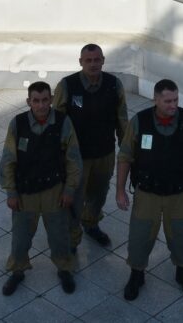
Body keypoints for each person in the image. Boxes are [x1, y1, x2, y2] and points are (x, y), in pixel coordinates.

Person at [116, 78, 183, 301]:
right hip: (147, 193)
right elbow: (125, 156)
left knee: (182, 237)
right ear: (155, 99)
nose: (173, 105)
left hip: (180, 194)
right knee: (140, 236)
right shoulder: (140, 122)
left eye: (175, 99)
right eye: (167, 101)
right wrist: (120, 190)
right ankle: (137, 274)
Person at [0, 81, 81, 296]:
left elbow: (73, 159)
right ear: (29, 102)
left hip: (54, 190)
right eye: (36, 101)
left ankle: (64, 269)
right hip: (25, 193)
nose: (42, 105)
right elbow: (8, 160)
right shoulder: (17, 124)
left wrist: (69, 190)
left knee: (59, 234)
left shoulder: (63, 122)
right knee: (21, 237)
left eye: (45, 100)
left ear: (51, 100)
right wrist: (11, 192)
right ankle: (17, 270)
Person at [53, 44, 128, 250]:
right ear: (80, 62)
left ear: (103, 60)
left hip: (105, 154)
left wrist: (127, 150)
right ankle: (72, 238)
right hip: (77, 157)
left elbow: (122, 119)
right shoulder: (67, 86)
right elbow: (56, 122)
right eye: (88, 60)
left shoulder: (114, 85)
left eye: (97, 60)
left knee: (99, 194)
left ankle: (91, 224)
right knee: (75, 199)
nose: (93, 64)